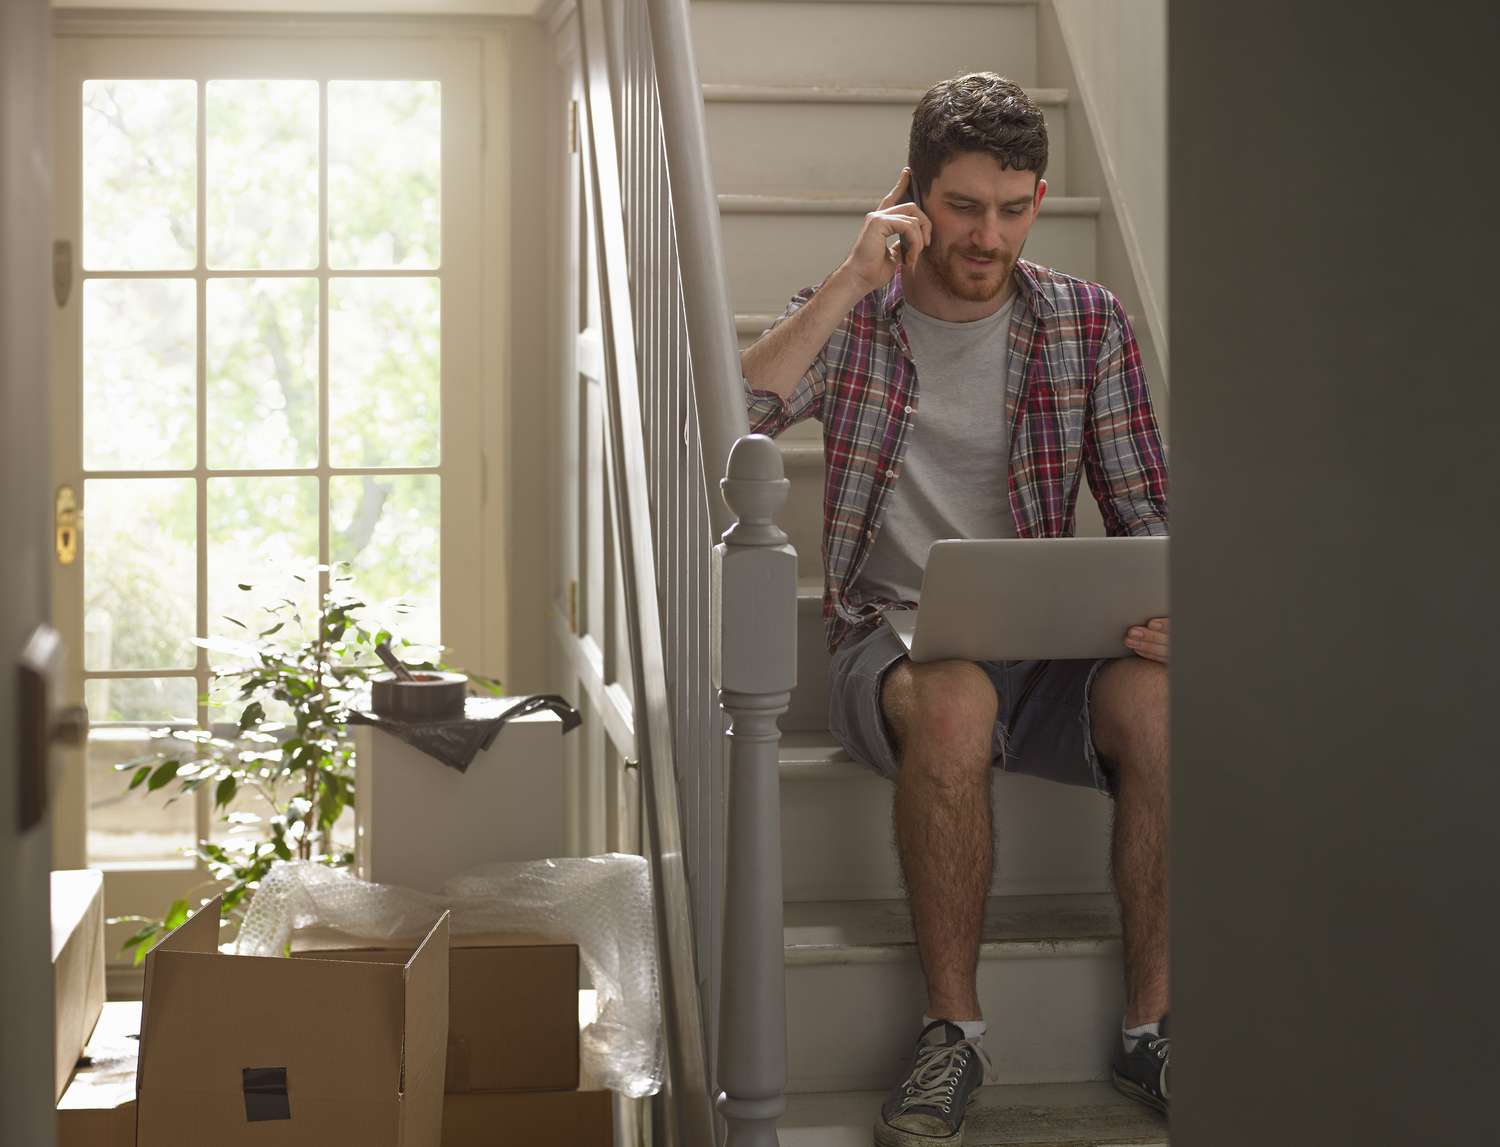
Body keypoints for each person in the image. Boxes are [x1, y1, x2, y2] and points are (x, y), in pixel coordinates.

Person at [739, 72, 1171, 1145]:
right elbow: (730, 422)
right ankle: (951, 1032)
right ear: (914, 196)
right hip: (889, 642)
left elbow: (1148, 517)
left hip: (1045, 636)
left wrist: (1174, 610)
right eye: (964, 206)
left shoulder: (1086, 322)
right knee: (952, 697)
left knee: (1164, 701)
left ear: (1038, 196)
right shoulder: (858, 313)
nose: (989, 235)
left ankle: (1154, 1029)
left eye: (1014, 207)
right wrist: (847, 278)